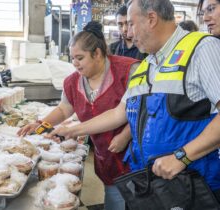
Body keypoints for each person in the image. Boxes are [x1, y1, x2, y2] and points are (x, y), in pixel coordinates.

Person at [49, 0, 220, 202]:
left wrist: (182, 156)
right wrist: (71, 130)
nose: (127, 33)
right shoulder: (147, 64)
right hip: (152, 184)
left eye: (131, 24)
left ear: (151, 19)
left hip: (192, 185)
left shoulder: (202, 48)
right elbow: (117, 114)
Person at [18, 21, 139, 210]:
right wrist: (42, 123)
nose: (75, 63)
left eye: (80, 58)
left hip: (135, 156)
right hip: (106, 156)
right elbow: (65, 108)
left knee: (139, 200)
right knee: (114, 200)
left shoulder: (129, 71)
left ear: (97, 53)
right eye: (72, 58)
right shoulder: (72, 82)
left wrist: (126, 135)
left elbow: (143, 112)